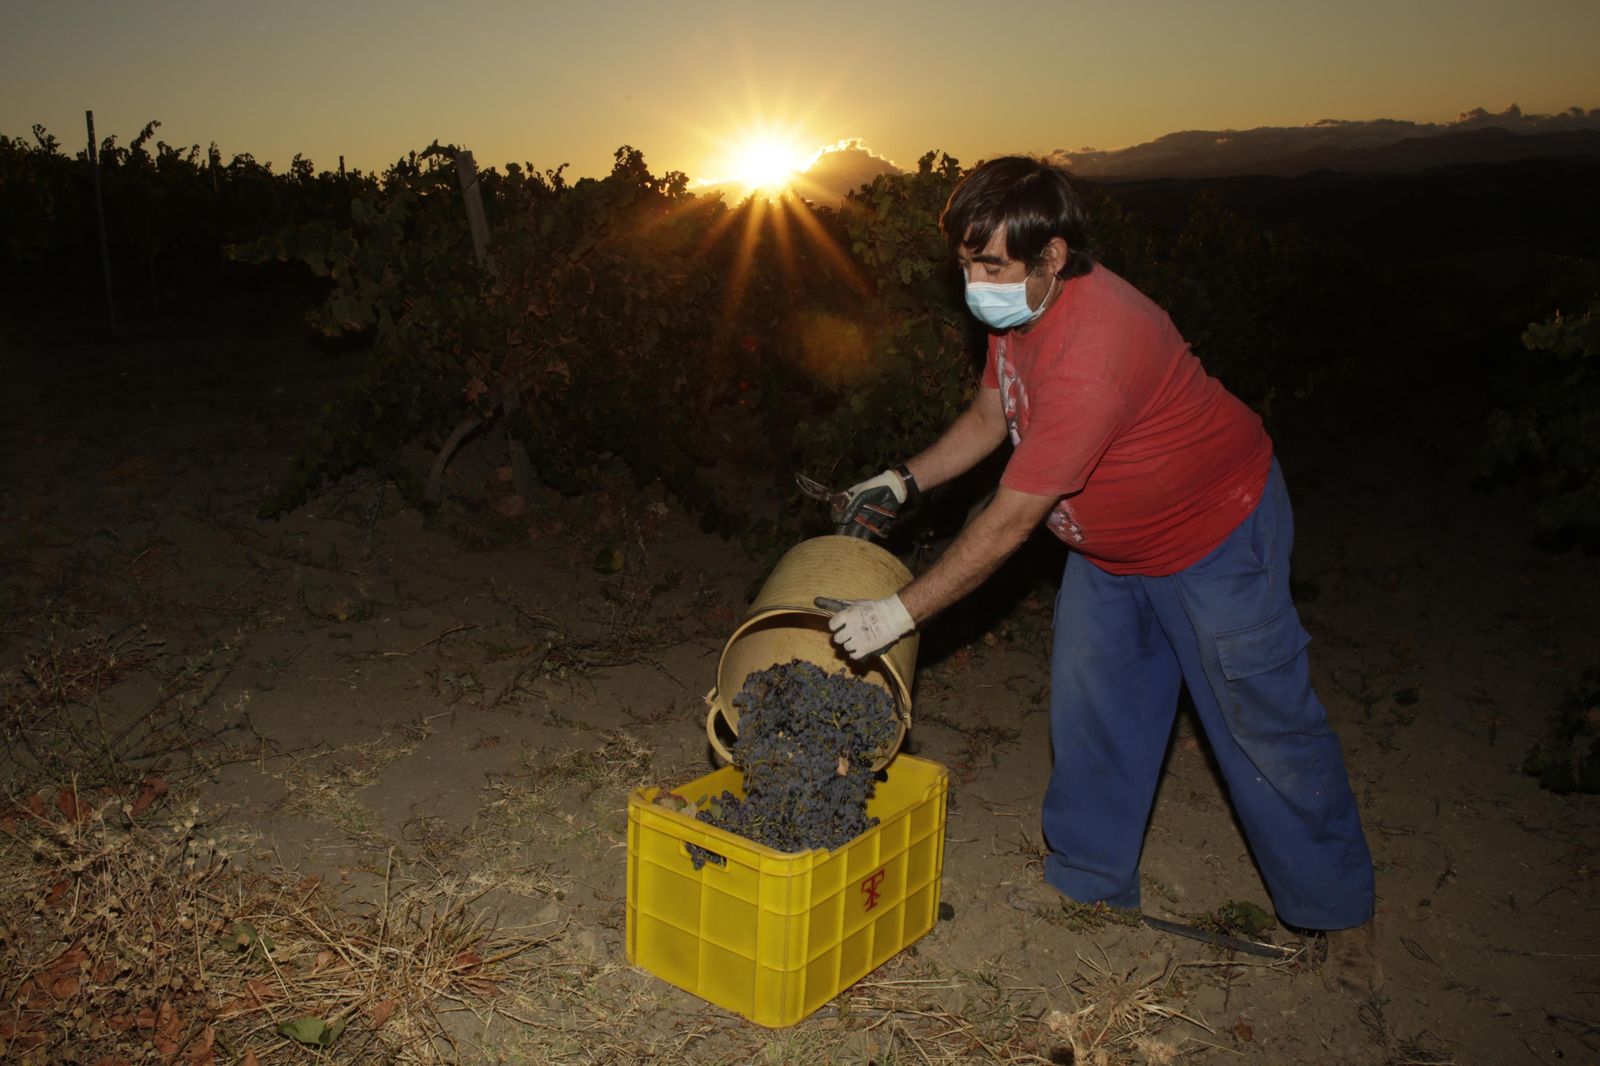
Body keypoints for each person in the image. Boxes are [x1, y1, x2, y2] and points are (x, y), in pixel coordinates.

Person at [819, 155, 1381, 994]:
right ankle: (1089, 885)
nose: (975, 283)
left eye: (992, 267)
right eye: (966, 263)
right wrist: (906, 480)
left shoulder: (1093, 349)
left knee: (1263, 723)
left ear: (1053, 258)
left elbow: (1008, 520)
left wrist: (898, 612)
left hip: (1215, 536)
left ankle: (1341, 913)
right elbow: (990, 414)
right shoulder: (1020, 314)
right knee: (1096, 712)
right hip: (1111, 551)